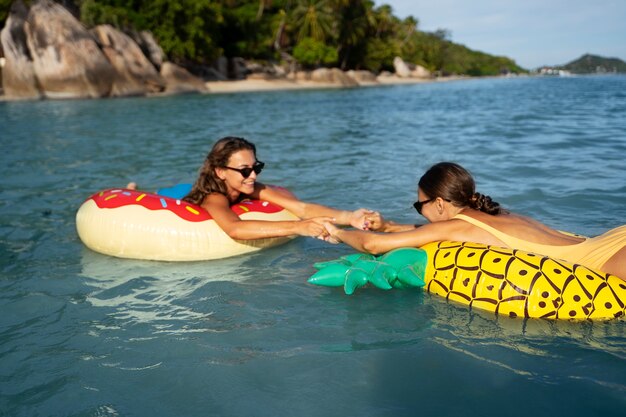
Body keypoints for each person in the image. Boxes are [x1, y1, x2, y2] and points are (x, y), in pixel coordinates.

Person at [323, 162, 626, 280]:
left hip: (604, 260)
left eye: (419, 205)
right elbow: (432, 231)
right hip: (608, 240)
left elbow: (373, 245)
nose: (419, 212)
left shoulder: (458, 225)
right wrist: (390, 226)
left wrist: (337, 232)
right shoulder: (489, 211)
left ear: (439, 203)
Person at [172, 136, 377, 240]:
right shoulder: (214, 197)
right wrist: (298, 227)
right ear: (220, 172)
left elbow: (301, 208)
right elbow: (234, 229)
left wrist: (350, 217)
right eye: (244, 170)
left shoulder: (251, 188)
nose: (253, 175)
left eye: (256, 167)